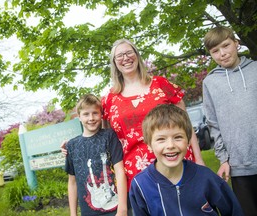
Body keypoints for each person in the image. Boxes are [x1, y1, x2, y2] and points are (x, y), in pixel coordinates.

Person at [101, 38, 205, 192]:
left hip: (177, 163)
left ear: (137, 55)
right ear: (114, 62)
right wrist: (70, 146)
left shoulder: (160, 84)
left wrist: (199, 159)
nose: (126, 58)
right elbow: (103, 136)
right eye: (120, 55)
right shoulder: (109, 99)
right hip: (138, 174)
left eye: (129, 52)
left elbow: (186, 125)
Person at [129, 104, 244, 215]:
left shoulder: (206, 177)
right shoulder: (140, 185)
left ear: (188, 141)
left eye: (178, 137)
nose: (170, 145)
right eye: (161, 139)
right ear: (149, 144)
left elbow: (234, 210)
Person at [203, 26, 257, 216]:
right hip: (238, 167)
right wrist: (223, 159)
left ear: (236, 43)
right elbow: (213, 124)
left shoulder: (255, 70)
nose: (222, 54)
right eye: (215, 51)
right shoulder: (210, 83)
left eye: (226, 46)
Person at [65, 94, 127, 216]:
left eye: (95, 113)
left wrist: (122, 208)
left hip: (114, 208)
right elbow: (72, 182)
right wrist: (73, 214)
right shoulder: (72, 145)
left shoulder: (109, 136)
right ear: (79, 117)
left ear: (101, 115)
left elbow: (120, 171)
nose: (91, 118)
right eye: (86, 114)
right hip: (89, 210)